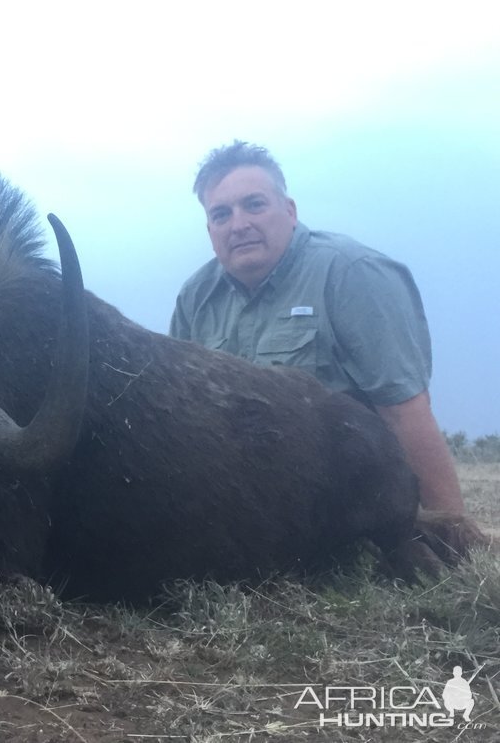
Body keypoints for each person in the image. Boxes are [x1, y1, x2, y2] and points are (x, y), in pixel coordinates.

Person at [169, 140, 484, 560]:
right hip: (244, 518)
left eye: (254, 205)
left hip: (348, 506)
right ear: (210, 230)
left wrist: (452, 538)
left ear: (290, 211)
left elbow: (404, 410)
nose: (238, 224)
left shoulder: (354, 274)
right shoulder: (195, 298)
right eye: (221, 214)